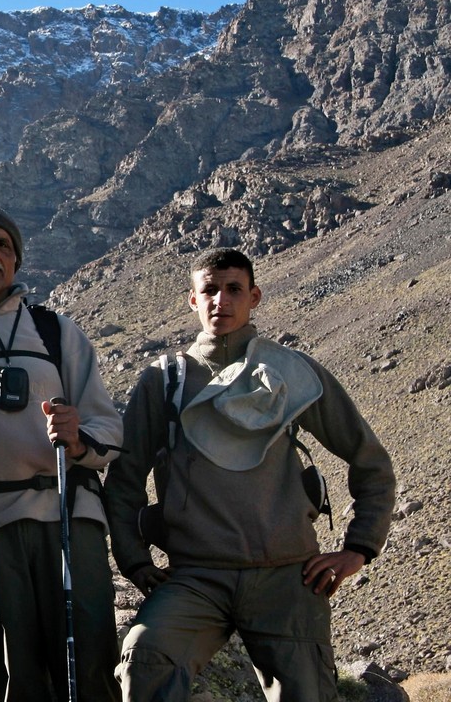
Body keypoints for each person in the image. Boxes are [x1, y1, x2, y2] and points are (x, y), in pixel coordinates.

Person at [105, 247, 396, 702]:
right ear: (192, 300)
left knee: (307, 694)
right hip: (196, 576)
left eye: (233, 289)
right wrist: (135, 562)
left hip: (286, 577)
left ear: (254, 296)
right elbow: (124, 480)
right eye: (210, 290)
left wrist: (359, 548)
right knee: (145, 658)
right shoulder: (165, 379)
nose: (221, 300)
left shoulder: (290, 372)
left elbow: (369, 459)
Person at [0, 205, 123, 702]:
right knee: (10, 669)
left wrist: (78, 436)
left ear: (17, 261)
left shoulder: (55, 331)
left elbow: (108, 425)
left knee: (90, 664)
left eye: (3, 245)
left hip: (67, 514)